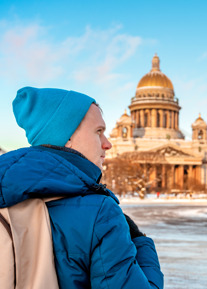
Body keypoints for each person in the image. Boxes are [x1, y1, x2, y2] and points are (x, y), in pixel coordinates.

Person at [0, 87, 164, 289]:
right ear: (66, 137)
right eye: (99, 132)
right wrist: (142, 243)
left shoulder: (6, 194)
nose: (108, 144)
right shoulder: (99, 212)